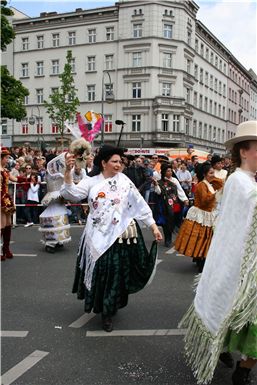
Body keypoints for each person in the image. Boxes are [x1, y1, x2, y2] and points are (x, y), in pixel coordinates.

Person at [178, 120, 257, 385]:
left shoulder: (244, 181)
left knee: (246, 319)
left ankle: (243, 367)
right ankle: (233, 359)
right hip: (243, 265)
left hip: (250, 266)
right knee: (234, 312)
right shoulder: (239, 182)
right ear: (243, 151)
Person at [60, 144, 162, 332]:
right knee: (103, 273)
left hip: (122, 235)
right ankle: (103, 307)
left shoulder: (125, 181)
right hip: (97, 235)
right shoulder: (91, 182)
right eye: (114, 161)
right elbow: (70, 194)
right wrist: (67, 171)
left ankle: (109, 309)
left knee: (117, 272)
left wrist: (153, 227)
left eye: (120, 161)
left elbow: (139, 204)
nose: (118, 165)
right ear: (104, 162)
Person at [175, 161, 223, 272]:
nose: (213, 175)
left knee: (203, 239)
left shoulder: (208, 183)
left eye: (213, 173)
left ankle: (199, 259)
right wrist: (215, 194)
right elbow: (204, 201)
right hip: (201, 214)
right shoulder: (202, 185)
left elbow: (221, 185)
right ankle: (201, 262)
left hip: (207, 214)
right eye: (211, 173)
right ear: (204, 174)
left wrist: (214, 179)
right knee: (201, 239)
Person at [1, 148, 17, 261]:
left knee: (7, 226)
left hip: (6, 201)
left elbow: (14, 178)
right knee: (1, 226)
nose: (7, 160)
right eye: (6, 158)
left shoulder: (5, 170)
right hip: (1, 201)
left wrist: (28, 178)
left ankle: (6, 249)